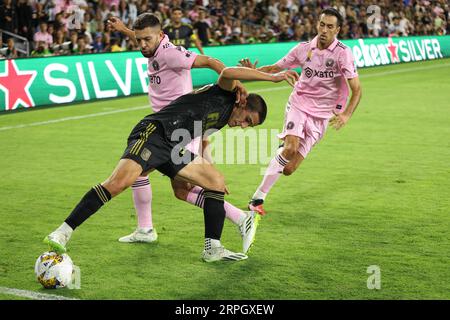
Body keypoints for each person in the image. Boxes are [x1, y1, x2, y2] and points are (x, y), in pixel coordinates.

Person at [44, 66, 298, 262]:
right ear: (242, 103)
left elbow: (202, 141)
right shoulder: (226, 94)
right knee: (118, 183)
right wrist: (272, 77)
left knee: (216, 182)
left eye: (248, 127)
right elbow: (226, 72)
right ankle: (63, 231)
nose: (242, 126)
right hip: (154, 133)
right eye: (246, 120)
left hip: (173, 147)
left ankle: (213, 248)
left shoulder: (222, 119)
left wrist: (208, 172)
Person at [105, 13, 256, 253]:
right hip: (168, 128)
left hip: (178, 130)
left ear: (159, 35)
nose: (142, 43)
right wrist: (124, 30)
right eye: (139, 39)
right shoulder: (153, 47)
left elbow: (210, 61)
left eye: (146, 39)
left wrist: (235, 82)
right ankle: (145, 229)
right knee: (161, 182)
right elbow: (144, 36)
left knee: (169, 184)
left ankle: (240, 218)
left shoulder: (172, 53)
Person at [241, 8, 362, 215]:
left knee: (288, 168)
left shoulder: (343, 54)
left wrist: (346, 114)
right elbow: (275, 67)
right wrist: (254, 70)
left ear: (338, 30)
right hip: (299, 104)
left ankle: (283, 148)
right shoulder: (303, 49)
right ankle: (257, 199)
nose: (324, 30)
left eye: (330, 26)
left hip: (321, 116)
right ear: (317, 25)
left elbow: (357, 89)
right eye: (322, 24)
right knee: (290, 148)